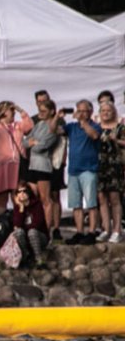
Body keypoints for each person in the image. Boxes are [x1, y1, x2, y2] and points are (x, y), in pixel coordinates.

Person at [25, 92, 65, 238]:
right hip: (33, 165)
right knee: (31, 197)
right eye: (39, 110)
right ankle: (34, 225)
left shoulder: (54, 125)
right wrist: (32, 142)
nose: (40, 113)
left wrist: (34, 143)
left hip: (45, 165)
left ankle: (47, 230)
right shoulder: (39, 124)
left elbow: (41, 146)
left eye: (43, 111)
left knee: (47, 198)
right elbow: (25, 142)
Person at [63, 98, 102, 243]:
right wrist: (57, 117)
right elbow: (54, 130)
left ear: (90, 112)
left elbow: (94, 135)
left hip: (89, 170)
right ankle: (79, 232)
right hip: (73, 170)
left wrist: (84, 122)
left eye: (84, 111)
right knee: (76, 204)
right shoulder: (71, 127)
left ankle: (92, 232)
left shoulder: (95, 126)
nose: (81, 114)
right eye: (79, 111)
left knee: (91, 203)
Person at [0, 101, 32, 216]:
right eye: (11, 111)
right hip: (0, 166)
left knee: (19, 196)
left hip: (17, 165)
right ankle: (1, 224)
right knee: (1, 198)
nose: (13, 113)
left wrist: (21, 111)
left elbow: (29, 126)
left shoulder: (17, 125)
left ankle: (18, 224)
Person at [97, 92, 125, 243]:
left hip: (114, 165)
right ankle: (106, 228)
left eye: (108, 111)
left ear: (113, 112)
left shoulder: (120, 127)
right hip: (100, 165)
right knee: (102, 198)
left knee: (115, 198)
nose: (105, 113)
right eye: (103, 111)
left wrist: (117, 141)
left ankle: (117, 230)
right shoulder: (97, 128)